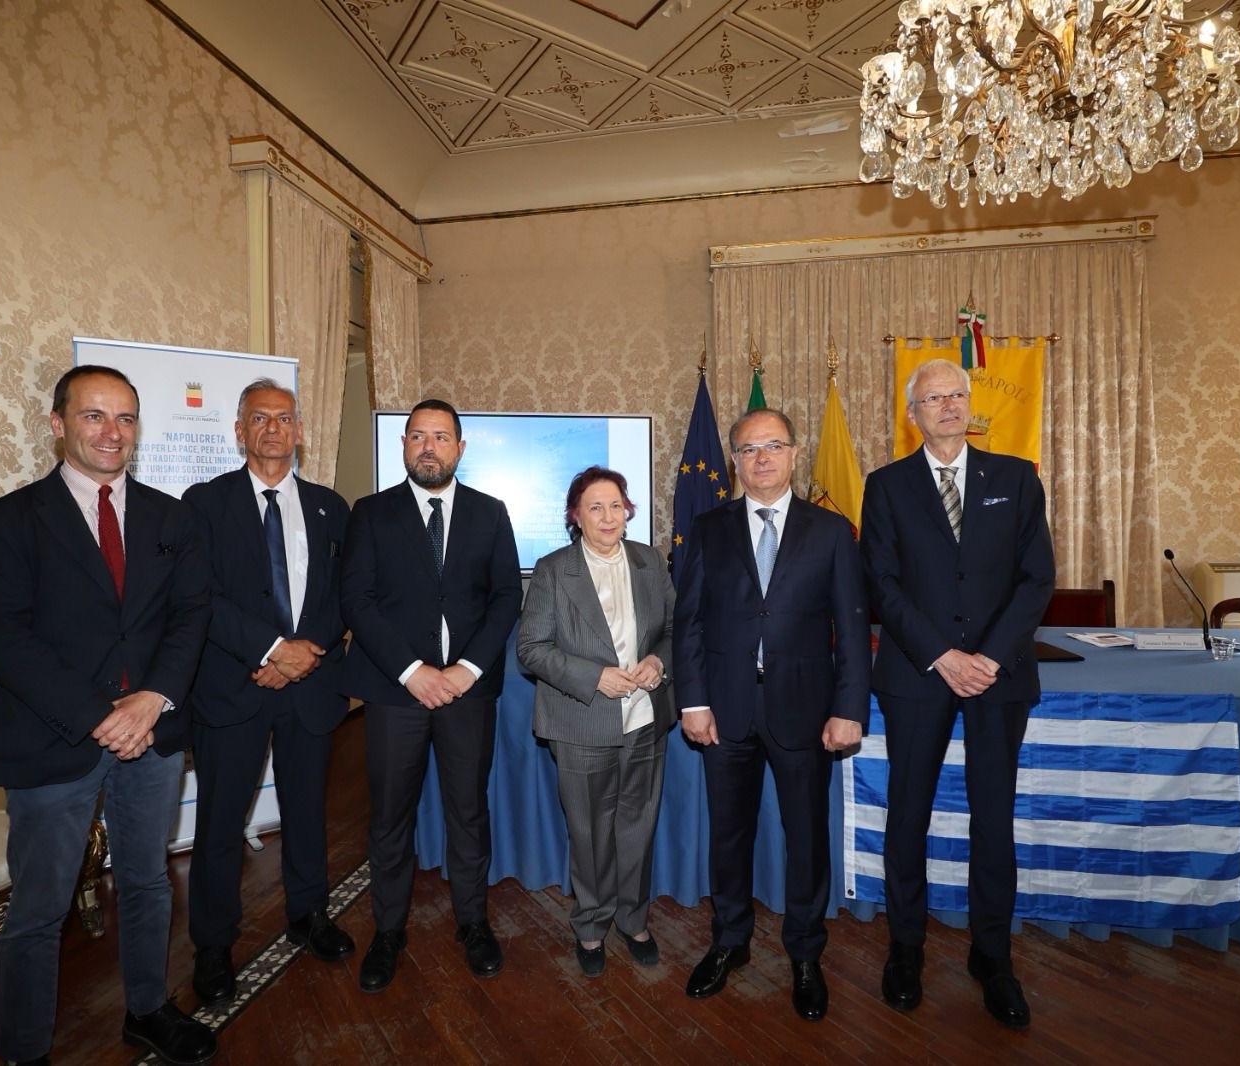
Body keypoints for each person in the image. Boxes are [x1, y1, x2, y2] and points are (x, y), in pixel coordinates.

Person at [0, 365, 215, 1066]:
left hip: (152, 735)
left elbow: (190, 616)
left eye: (126, 418)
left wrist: (153, 698)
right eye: (94, 415)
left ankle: (147, 1010)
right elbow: (4, 638)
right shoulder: (9, 520)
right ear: (58, 424)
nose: (112, 432)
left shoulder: (173, 517)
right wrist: (99, 715)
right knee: (39, 908)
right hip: (53, 738)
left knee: (147, 882)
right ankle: (25, 1051)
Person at [860, 357, 1055, 1030]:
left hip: (999, 676)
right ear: (912, 413)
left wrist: (988, 658)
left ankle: (992, 957)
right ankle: (905, 949)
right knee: (907, 814)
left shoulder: (1016, 478)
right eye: (933, 398)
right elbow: (881, 583)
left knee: (993, 818)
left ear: (970, 405)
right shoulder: (886, 486)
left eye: (957, 396)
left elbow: (1037, 578)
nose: (948, 407)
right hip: (919, 674)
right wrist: (943, 656)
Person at [672, 407, 869, 1022]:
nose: (762, 458)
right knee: (728, 834)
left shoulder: (831, 530)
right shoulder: (707, 528)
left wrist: (848, 709)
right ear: (735, 461)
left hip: (806, 711)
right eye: (750, 449)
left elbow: (852, 627)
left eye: (774, 446)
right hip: (724, 710)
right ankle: (730, 941)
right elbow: (689, 622)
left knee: (806, 837)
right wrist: (693, 701)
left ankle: (806, 953)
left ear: (794, 453)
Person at [340, 398, 523, 992]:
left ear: (460, 448)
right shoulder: (371, 513)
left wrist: (467, 669)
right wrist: (410, 671)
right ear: (404, 445)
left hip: (468, 693)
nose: (429, 447)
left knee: (468, 811)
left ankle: (473, 923)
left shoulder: (491, 513)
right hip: (394, 693)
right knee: (390, 817)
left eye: (441, 437)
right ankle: (388, 931)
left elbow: (506, 598)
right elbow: (357, 600)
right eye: (418, 436)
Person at [183, 378, 353, 1008]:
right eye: (260, 418)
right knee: (220, 821)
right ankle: (213, 944)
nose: (273, 428)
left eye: (284, 418)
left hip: (311, 685)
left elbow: (346, 594)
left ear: (300, 431)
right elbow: (200, 595)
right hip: (235, 684)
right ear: (240, 431)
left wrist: (303, 653)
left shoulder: (332, 507)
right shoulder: (203, 504)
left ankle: (309, 914)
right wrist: (271, 651)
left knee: (307, 811)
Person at [516, 466, 675, 977]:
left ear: (628, 511)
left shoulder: (650, 561)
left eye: (616, 506)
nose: (608, 517)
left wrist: (658, 662)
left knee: (638, 827)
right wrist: (594, 677)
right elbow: (530, 649)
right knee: (589, 834)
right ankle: (590, 925)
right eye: (595, 508)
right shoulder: (552, 570)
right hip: (581, 721)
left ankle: (634, 921)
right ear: (576, 517)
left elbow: (674, 630)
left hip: (644, 719)